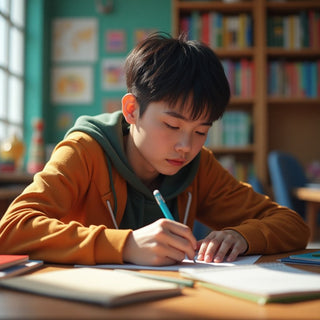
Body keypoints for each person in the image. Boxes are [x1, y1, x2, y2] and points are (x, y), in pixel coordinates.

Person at [0, 33, 309, 266]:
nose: (186, 146)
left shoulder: (199, 165)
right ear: (132, 110)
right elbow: (12, 229)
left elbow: (292, 225)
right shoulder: (85, 150)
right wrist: (126, 244)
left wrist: (243, 236)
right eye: (172, 126)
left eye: (201, 131)